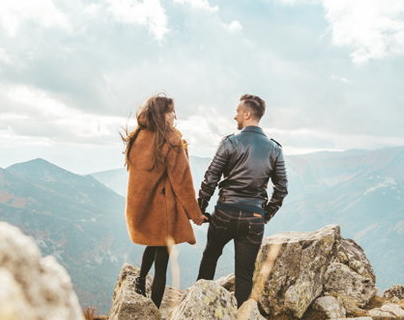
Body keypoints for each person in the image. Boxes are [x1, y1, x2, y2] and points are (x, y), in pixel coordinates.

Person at [197, 94, 288, 306]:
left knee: (210, 258)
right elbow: (282, 188)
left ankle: (198, 309)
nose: (234, 116)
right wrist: (265, 215)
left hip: (224, 213)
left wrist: (200, 208)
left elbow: (211, 178)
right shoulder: (275, 149)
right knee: (245, 275)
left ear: (247, 114)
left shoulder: (230, 142)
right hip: (254, 218)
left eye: (237, 111)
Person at [123, 94, 205, 307]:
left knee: (152, 244)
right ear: (162, 114)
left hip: (142, 206)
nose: (174, 115)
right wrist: (195, 215)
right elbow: (182, 183)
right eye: (170, 111)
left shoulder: (137, 136)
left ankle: (140, 281)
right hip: (163, 208)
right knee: (162, 263)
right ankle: (154, 310)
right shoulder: (170, 141)